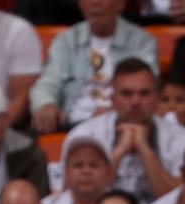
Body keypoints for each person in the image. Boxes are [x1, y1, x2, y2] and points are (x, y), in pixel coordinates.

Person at [68, 60, 185, 204]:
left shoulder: (183, 140)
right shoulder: (85, 136)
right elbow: (79, 200)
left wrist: (145, 149)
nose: (135, 102)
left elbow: (179, 203)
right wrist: (118, 154)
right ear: (113, 99)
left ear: (157, 98)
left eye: (144, 94)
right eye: (127, 94)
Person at [30, 0, 159, 132]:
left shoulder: (142, 42)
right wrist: (45, 104)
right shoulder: (66, 40)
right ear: (80, 4)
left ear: (121, 4)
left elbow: (147, 91)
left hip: (121, 123)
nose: (96, 3)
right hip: (70, 124)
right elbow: (47, 83)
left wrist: (115, 112)